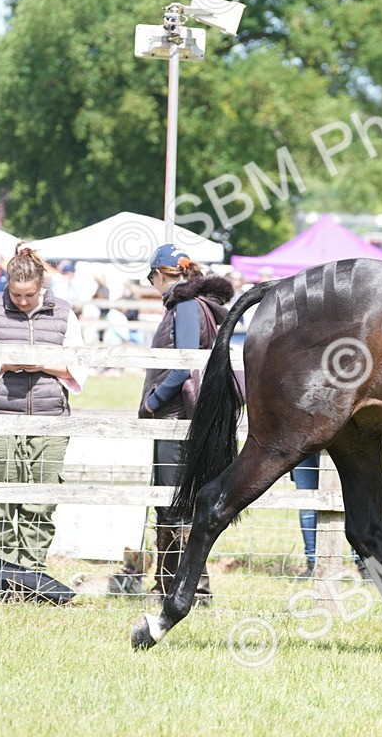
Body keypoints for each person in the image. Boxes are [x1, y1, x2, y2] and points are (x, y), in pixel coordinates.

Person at [0, 244, 88, 571]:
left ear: (41, 285)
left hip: (50, 418)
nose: (23, 301)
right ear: (8, 285)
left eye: (29, 295)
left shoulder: (63, 313)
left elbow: (81, 364)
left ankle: (32, 573)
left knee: (40, 501)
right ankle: (1, 573)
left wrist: (44, 364)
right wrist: (3, 364)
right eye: (16, 295)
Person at [138, 244, 234, 605]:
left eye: (152, 278)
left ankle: (174, 587)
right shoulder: (200, 305)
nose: (153, 285)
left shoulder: (185, 306)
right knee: (186, 502)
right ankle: (188, 586)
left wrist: (152, 402)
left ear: (162, 274)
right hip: (189, 416)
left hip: (176, 417)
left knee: (172, 504)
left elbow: (183, 365)